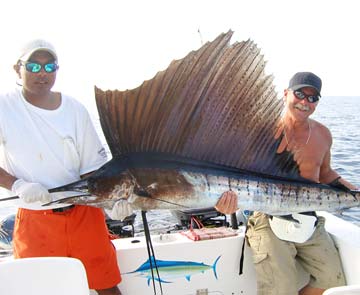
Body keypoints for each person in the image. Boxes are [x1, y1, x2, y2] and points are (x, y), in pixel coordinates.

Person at [215, 72, 357, 295]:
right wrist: (224, 203)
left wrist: (354, 192)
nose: (305, 102)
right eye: (300, 94)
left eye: (313, 98)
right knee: (280, 289)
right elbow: (233, 178)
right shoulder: (261, 134)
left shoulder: (323, 134)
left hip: (307, 215)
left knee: (334, 281)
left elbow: (327, 173)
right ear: (285, 94)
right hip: (267, 217)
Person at [0, 39, 122, 295]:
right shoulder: (4, 108)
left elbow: (93, 171)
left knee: (107, 287)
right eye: (33, 66)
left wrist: (111, 202)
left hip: (84, 215)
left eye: (49, 66)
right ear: (17, 69)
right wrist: (17, 184)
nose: (42, 73)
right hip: (35, 220)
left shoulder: (75, 110)